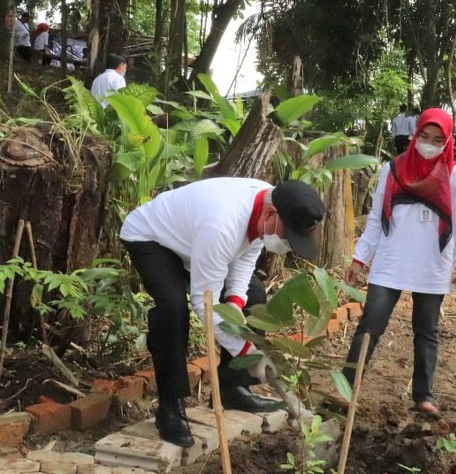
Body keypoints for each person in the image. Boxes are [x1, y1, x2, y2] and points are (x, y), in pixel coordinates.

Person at [120, 178, 326, 447]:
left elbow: (245, 258)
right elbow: (205, 302)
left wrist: (236, 304)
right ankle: (170, 407)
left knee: (254, 296)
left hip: (198, 243)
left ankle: (232, 386)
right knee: (172, 308)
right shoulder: (223, 223)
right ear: (271, 214)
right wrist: (247, 352)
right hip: (154, 238)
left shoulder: (268, 205)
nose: (286, 243)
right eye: (288, 236)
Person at [342, 108, 456, 415]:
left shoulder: (454, 176)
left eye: (438, 139)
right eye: (424, 137)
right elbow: (375, 219)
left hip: (432, 265)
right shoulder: (393, 169)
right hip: (391, 263)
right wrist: (359, 259)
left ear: (448, 140)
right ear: (415, 136)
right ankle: (345, 388)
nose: (429, 143)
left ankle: (423, 397)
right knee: (370, 325)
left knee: (426, 331)